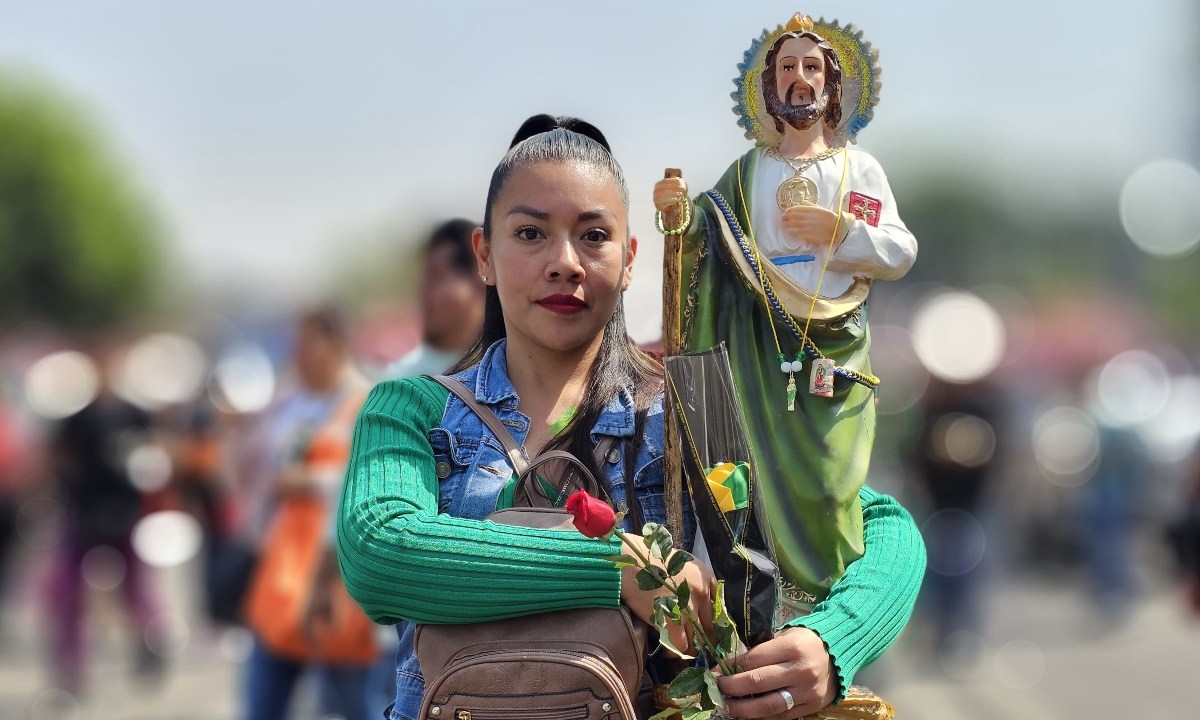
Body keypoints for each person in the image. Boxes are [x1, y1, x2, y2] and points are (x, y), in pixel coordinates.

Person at [338, 115, 925, 720]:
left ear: (629, 261)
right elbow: (378, 552)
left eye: (593, 236)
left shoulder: (693, 408)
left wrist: (832, 644)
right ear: (484, 255)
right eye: (530, 233)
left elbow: (879, 526)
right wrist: (618, 565)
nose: (565, 262)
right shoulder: (411, 409)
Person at [652, 13, 917, 614]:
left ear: (834, 84)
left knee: (829, 486)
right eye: (789, 67)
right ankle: (755, 618)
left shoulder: (857, 169)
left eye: (813, 67)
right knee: (747, 480)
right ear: (769, 86)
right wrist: (677, 217)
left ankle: (827, 616)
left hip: (832, 341)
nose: (801, 79)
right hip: (754, 340)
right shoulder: (748, 173)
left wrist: (841, 231)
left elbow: (900, 250)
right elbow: (706, 236)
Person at [240, 307, 375, 720]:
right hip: (282, 571)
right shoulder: (287, 406)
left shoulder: (366, 405)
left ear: (336, 344)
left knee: (353, 702)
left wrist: (311, 482)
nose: (298, 355)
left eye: (306, 344)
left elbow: (369, 484)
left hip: (337, 581)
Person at [382, 218, 486, 380]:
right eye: (423, 281)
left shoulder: (511, 369)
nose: (424, 294)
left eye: (436, 277)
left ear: (478, 278)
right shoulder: (402, 381)